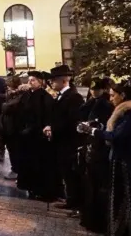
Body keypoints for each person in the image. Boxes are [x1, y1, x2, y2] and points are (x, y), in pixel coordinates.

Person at [77, 80, 131, 236]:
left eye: (113, 95)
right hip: (121, 162)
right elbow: (113, 131)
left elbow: (116, 136)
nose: (111, 99)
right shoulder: (123, 114)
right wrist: (99, 126)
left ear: (122, 96)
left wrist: (93, 131)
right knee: (119, 199)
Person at [77, 77, 114, 232]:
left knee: (97, 186)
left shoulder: (105, 104)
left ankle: (96, 220)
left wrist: (93, 127)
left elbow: (106, 128)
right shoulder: (94, 101)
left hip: (99, 149)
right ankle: (89, 217)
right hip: (91, 146)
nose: (93, 91)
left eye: (96, 89)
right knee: (90, 184)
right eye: (92, 89)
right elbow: (82, 112)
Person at [47, 65, 84, 211]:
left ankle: (74, 202)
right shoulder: (61, 96)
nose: (52, 84)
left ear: (63, 81)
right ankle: (70, 199)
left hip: (69, 143)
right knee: (65, 172)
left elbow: (71, 121)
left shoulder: (73, 97)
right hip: (61, 141)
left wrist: (53, 128)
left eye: (54, 81)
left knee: (70, 173)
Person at [17, 71, 57, 201]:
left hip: (38, 137)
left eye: (33, 80)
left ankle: (40, 190)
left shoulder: (45, 97)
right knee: (27, 163)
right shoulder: (26, 95)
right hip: (25, 136)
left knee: (39, 164)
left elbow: (47, 116)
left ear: (40, 82)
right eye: (29, 80)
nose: (30, 82)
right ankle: (29, 187)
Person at [1, 76, 28, 180]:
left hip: (15, 128)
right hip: (8, 128)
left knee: (16, 150)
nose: (7, 89)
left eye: (9, 87)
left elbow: (7, 107)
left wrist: (5, 104)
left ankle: (17, 170)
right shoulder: (11, 95)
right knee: (11, 149)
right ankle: (15, 169)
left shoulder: (21, 95)